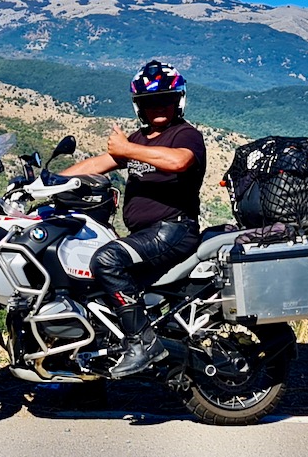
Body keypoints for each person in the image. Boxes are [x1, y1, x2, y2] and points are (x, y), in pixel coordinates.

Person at [60, 60, 206, 378]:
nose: (158, 105)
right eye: (150, 100)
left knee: (107, 259)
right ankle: (87, 371)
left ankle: (144, 343)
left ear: (178, 101)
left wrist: (127, 148)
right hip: (147, 234)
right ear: (140, 106)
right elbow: (98, 163)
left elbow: (179, 161)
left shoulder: (186, 135)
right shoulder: (140, 140)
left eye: (165, 98)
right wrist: (49, 182)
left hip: (174, 230)